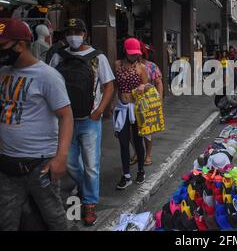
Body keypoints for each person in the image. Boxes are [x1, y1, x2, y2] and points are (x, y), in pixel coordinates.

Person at [0, 18, 74, 231]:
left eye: (2, 46)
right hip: (7, 164)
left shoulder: (47, 76)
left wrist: (61, 157)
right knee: (6, 221)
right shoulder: (3, 72)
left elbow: (66, 116)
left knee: (55, 218)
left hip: (40, 165)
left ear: (20, 45)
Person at [49, 18, 115, 226]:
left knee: (91, 165)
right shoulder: (59, 56)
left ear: (85, 34)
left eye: (77, 31)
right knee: (70, 162)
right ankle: (86, 189)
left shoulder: (98, 57)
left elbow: (109, 86)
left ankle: (89, 204)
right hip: (65, 120)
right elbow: (49, 83)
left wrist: (100, 110)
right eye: (69, 32)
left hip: (89, 120)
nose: (73, 35)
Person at [113, 38, 149, 190]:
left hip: (137, 108)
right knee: (123, 142)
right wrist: (110, 104)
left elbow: (147, 87)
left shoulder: (141, 68)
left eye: (136, 54)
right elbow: (114, 86)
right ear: (125, 52)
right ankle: (126, 175)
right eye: (131, 54)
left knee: (138, 140)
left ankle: (141, 170)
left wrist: (143, 87)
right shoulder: (116, 65)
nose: (134, 56)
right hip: (121, 108)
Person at [130, 41, 163, 167]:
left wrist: (159, 100)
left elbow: (159, 82)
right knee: (131, 132)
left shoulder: (151, 66)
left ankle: (148, 154)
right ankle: (137, 152)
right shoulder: (128, 66)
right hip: (131, 103)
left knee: (147, 131)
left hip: (147, 102)